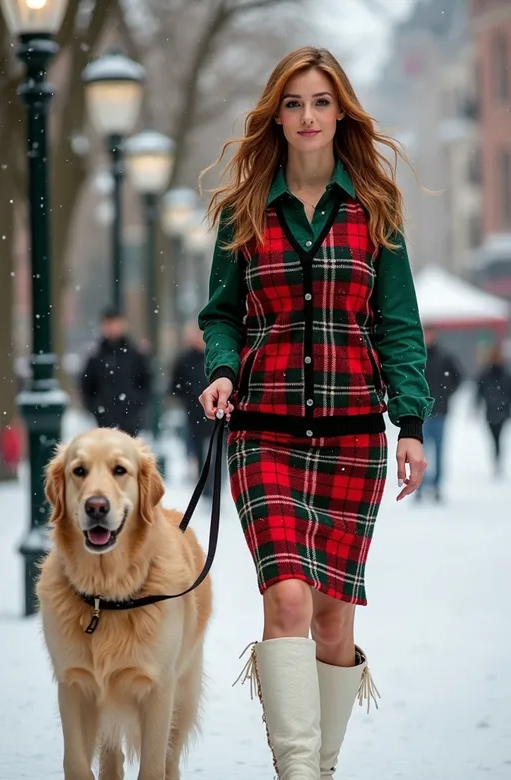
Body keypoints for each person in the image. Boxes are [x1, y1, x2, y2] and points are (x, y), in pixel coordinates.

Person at [198, 47, 433, 780]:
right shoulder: (244, 211)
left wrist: (413, 424)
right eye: (294, 102)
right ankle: (297, 773)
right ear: (277, 113)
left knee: (333, 618)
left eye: (320, 102)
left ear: (341, 113)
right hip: (263, 434)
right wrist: (221, 368)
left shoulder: (375, 209)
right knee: (289, 601)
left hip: (353, 440)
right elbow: (221, 314)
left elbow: (398, 324)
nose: (306, 116)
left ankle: (320, 770)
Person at [80, 307, 152, 438]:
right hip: (104, 421)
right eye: (109, 324)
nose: (113, 328)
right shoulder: (95, 357)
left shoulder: (135, 355)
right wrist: (96, 408)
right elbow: (87, 387)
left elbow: (146, 383)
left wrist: (136, 404)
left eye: (116, 323)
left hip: (130, 420)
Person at [416, 326, 462, 502]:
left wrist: (445, 395)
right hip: (422, 414)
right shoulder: (418, 357)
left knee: (439, 452)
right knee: (420, 453)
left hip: (440, 412)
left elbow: (459, 378)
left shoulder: (445, 357)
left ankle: (436, 486)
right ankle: (419, 486)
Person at [168, 322, 211, 479]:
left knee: (214, 448)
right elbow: (175, 385)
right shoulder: (184, 359)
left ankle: (213, 479)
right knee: (196, 447)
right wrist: (189, 394)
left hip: (213, 410)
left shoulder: (211, 356)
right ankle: (202, 478)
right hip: (193, 411)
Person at [476, 344, 511, 475]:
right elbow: (480, 391)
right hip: (493, 410)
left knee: (497, 437)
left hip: (500, 410)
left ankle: (497, 460)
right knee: (495, 438)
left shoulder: (503, 374)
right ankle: (496, 460)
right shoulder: (487, 374)